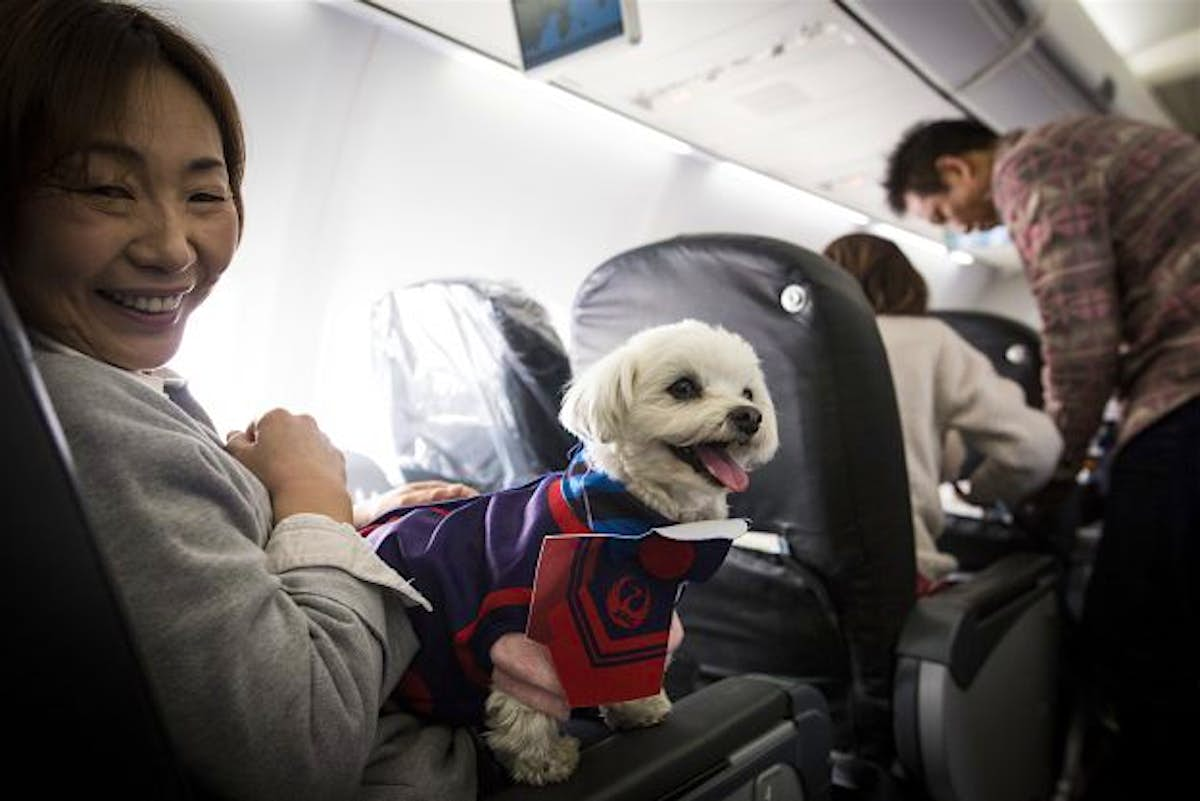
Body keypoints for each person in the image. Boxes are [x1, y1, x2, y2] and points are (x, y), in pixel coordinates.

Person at [0, 1, 585, 798]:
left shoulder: (100, 389)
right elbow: (298, 746)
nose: (172, 246)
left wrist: (362, 528)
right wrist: (315, 497)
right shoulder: (79, 421)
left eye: (205, 196)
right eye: (107, 190)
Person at [884, 115, 1200, 798]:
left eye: (945, 214)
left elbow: (1080, 333)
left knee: (1133, 634)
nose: (960, 232)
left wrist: (1052, 479)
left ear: (957, 170)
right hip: (1174, 383)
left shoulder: (1032, 167)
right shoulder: (1074, 147)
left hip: (1186, 387)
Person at [822, 233, 1062, 592]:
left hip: (772, 569)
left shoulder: (792, 343)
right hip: (890, 572)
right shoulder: (929, 339)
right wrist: (981, 490)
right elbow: (1035, 448)